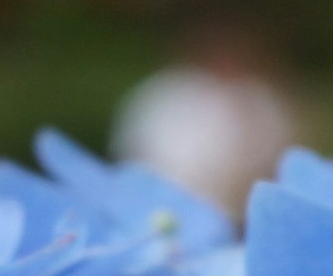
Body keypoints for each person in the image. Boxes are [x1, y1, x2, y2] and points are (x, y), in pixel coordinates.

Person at [112, 18, 298, 214]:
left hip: (233, 215)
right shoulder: (163, 94)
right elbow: (134, 153)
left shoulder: (260, 101)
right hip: (160, 205)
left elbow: (274, 165)